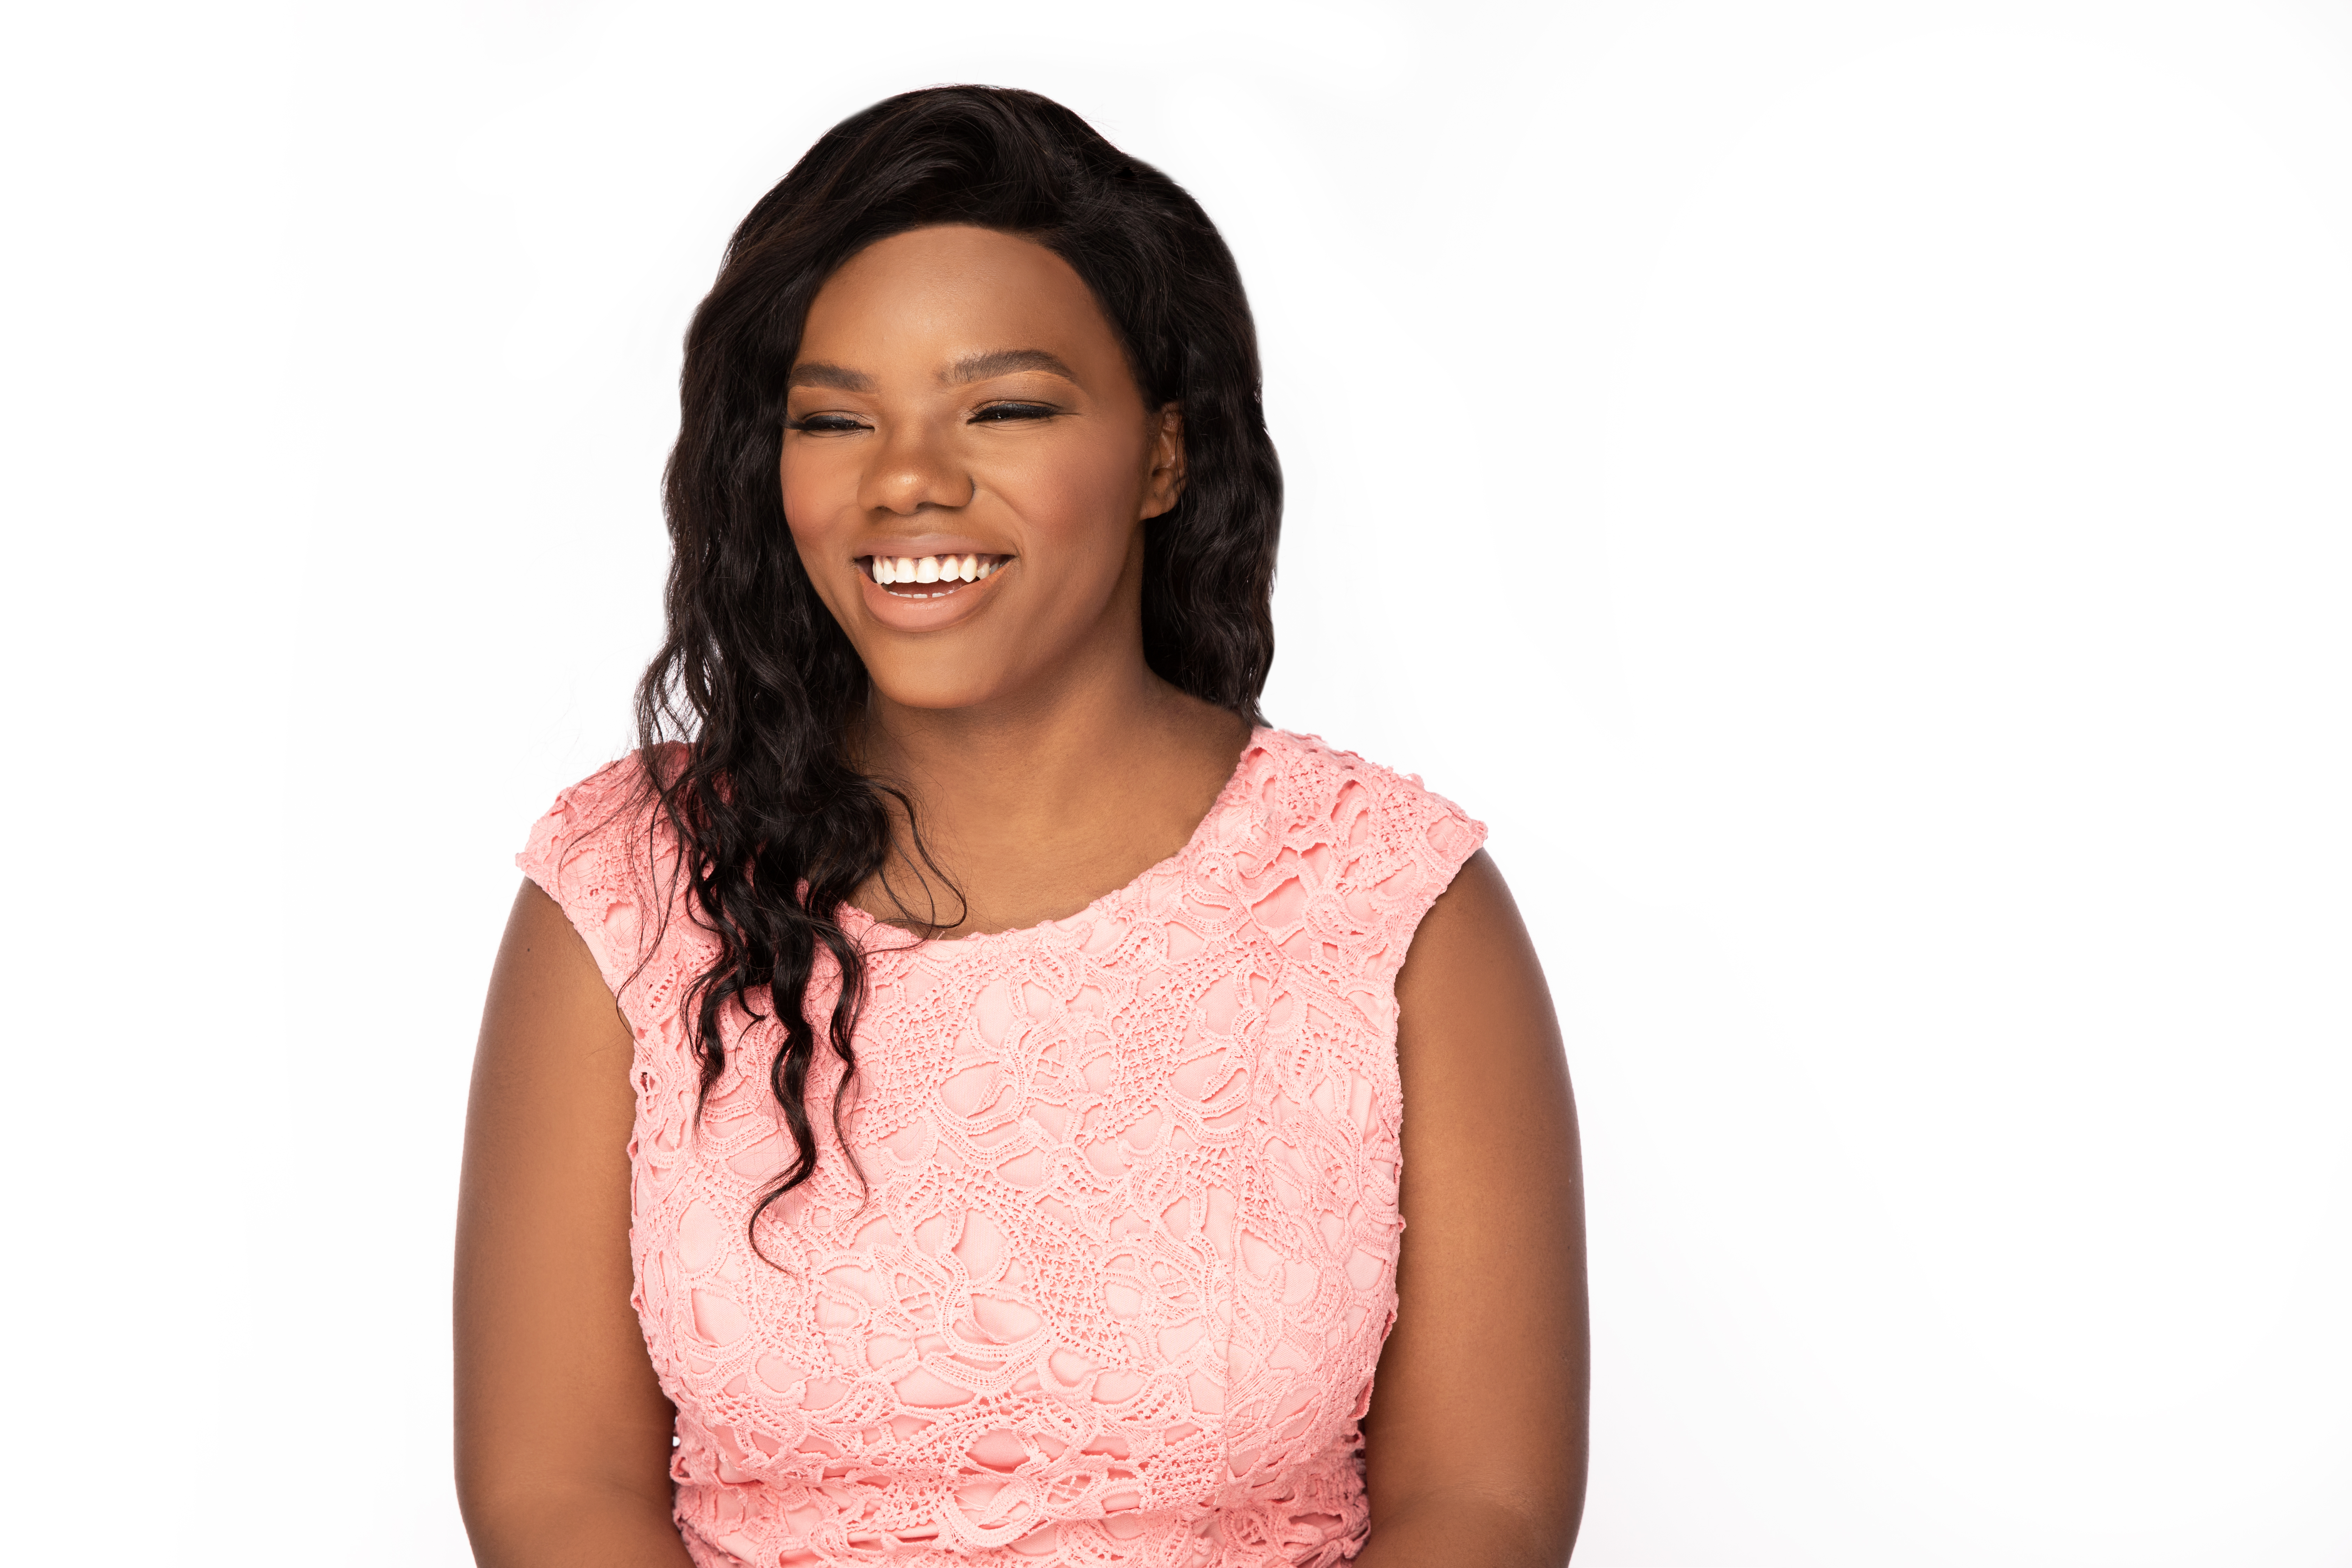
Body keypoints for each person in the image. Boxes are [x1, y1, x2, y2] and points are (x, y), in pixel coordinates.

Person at [455, 85, 1588, 1568]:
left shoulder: (1393, 907)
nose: (908, 478)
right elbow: (553, 1498)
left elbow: (1483, 1512)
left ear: (1165, 459)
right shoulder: (630, 888)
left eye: (1004, 407)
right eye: (835, 416)